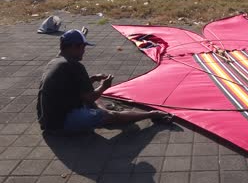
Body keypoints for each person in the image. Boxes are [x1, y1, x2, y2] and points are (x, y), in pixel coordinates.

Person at [37, 29, 172, 134]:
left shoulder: (55, 61)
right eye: (82, 47)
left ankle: (103, 115)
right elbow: (89, 96)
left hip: (48, 120)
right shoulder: (75, 65)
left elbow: (68, 87)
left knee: (94, 103)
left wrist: (92, 79)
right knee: (109, 114)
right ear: (73, 46)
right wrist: (103, 87)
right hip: (62, 124)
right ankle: (152, 114)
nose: (83, 51)